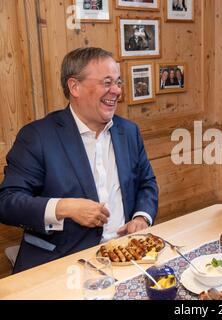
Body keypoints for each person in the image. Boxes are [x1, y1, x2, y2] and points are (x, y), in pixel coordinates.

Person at [0, 47, 159, 273]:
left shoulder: (129, 132)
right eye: (107, 82)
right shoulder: (37, 137)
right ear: (74, 87)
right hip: (61, 264)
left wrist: (141, 217)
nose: (116, 91)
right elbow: (6, 203)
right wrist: (64, 207)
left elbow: (147, 183)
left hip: (126, 256)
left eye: (118, 82)